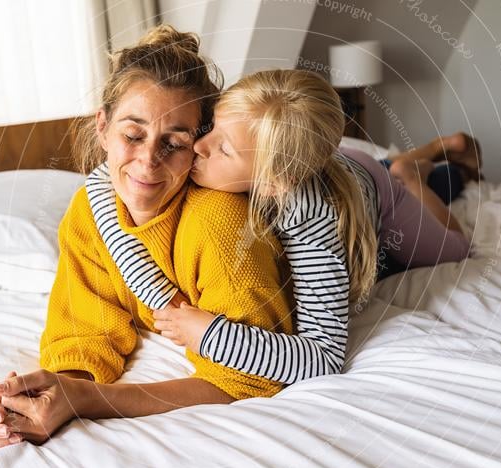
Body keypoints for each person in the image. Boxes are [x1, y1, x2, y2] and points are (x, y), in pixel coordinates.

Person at [0, 26, 295, 453]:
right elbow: (84, 335)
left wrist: (87, 400)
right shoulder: (90, 213)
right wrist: (28, 404)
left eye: (173, 143)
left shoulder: (219, 223)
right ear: (102, 128)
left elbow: (253, 375)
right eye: (132, 135)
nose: (148, 161)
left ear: (198, 146)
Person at [107, 69, 472, 388]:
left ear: (272, 183)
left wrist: (208, 334)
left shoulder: (311, 218)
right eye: (209, 127)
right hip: (323, 160)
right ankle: (411, 160)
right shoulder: (191, 151)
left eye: (225, 149)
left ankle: (408, 171)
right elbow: (98, 184)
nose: (197, 146)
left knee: (456, 248)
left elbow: (324, 357)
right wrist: (161, 298)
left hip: (373, 185)